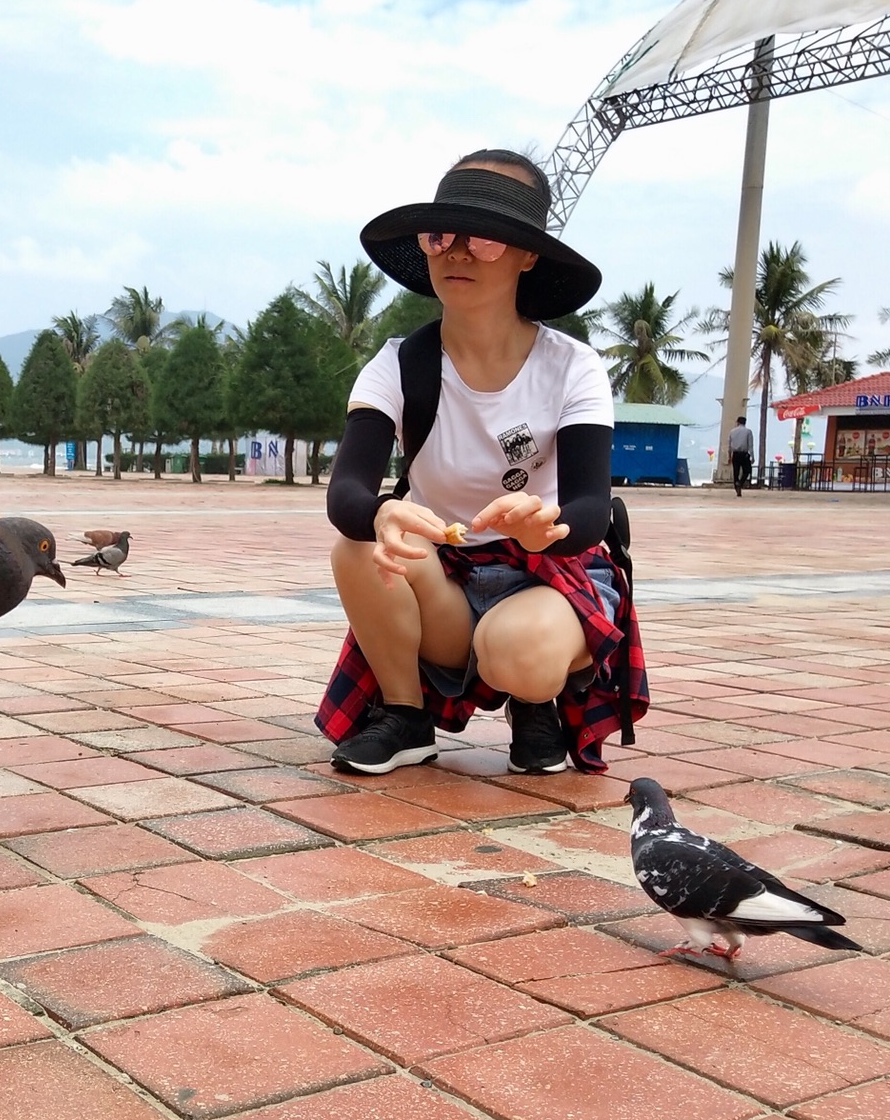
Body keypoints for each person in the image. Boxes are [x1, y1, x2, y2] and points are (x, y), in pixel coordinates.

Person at [319, 149, 647, 777]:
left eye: (486, 239)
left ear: (529, 255)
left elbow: (588, 507)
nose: (458, 253)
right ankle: (405, 716)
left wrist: (545, 526)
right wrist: (383, 512)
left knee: (517, 651)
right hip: (447, 574)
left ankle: (538, 703)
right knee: (356, 547)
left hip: (550, 571)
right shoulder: (399, 363)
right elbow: (348, 492)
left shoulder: (572, 366)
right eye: (441, 235)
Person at [726, 415, 754, 496]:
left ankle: (737, 487)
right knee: (747, 471)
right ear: (745, 423)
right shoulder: (748, 431)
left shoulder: (732, 431)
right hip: (744, 454)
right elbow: (750, 445)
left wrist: (729, 456)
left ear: (738, 422)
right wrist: (752, 456)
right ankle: (740, 483)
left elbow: (729, 445)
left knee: (736, 472)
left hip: (735, 454)